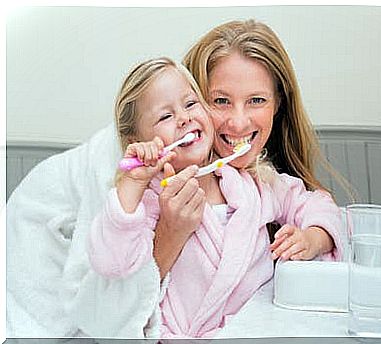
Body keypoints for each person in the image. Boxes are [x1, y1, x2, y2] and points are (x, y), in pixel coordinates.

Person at [87, 55, 342, 338]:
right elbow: (112, 262)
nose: (184, 118)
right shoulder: (149, 200)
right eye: (165, 116)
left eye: (190, 103)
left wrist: (314, 238)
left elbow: (318, 204)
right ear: (140, 141)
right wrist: (132, 184)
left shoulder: (255, 185)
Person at [154, 19, 347, 278]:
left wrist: (313, 239)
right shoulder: (157, 176)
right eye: (221, 101)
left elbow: (319, 208)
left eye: (256, 100)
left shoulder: (265, 183)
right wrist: (171, 233)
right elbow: (118, 294)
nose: (239, 122)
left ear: (278, 103)